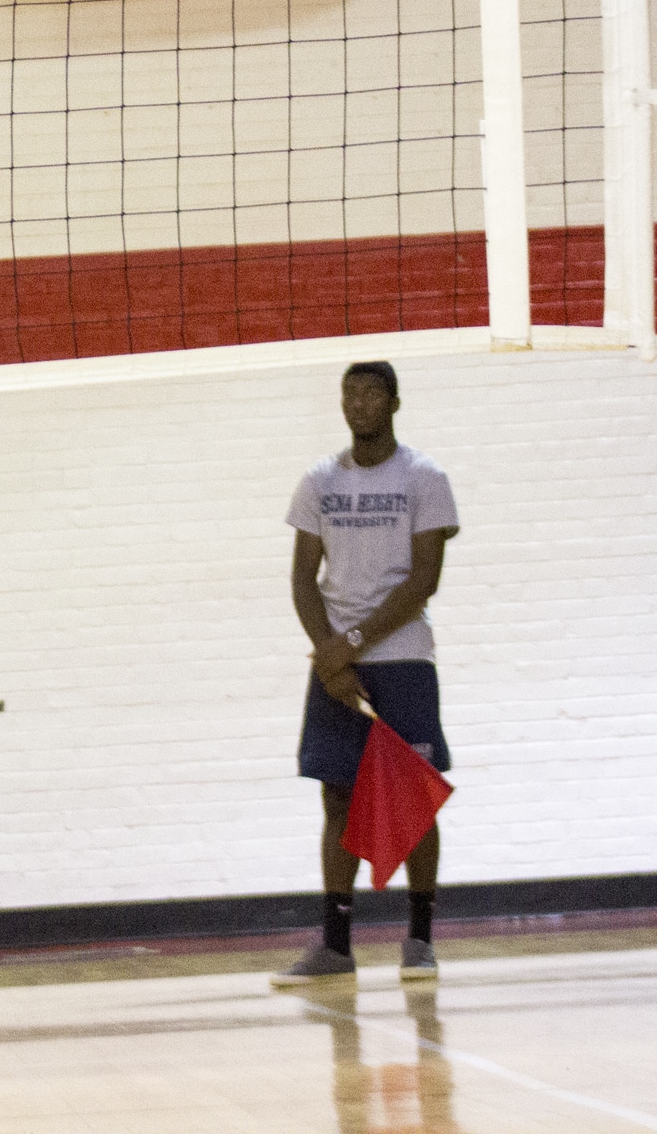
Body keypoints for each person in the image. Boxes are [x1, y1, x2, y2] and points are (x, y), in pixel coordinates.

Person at [272, 362, 460, 987]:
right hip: (337, 662)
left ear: (395, 402)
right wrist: (330, 659)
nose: (359, 403)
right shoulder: (320, 480)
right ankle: (335, 946)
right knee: (337, 798)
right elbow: (302, 579)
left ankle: (421, 940)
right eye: (349, 393)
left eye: (371, 392)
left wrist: (349, 645)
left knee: (414, 795)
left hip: (402, 657)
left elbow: (424, 578)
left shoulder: (424, 477)